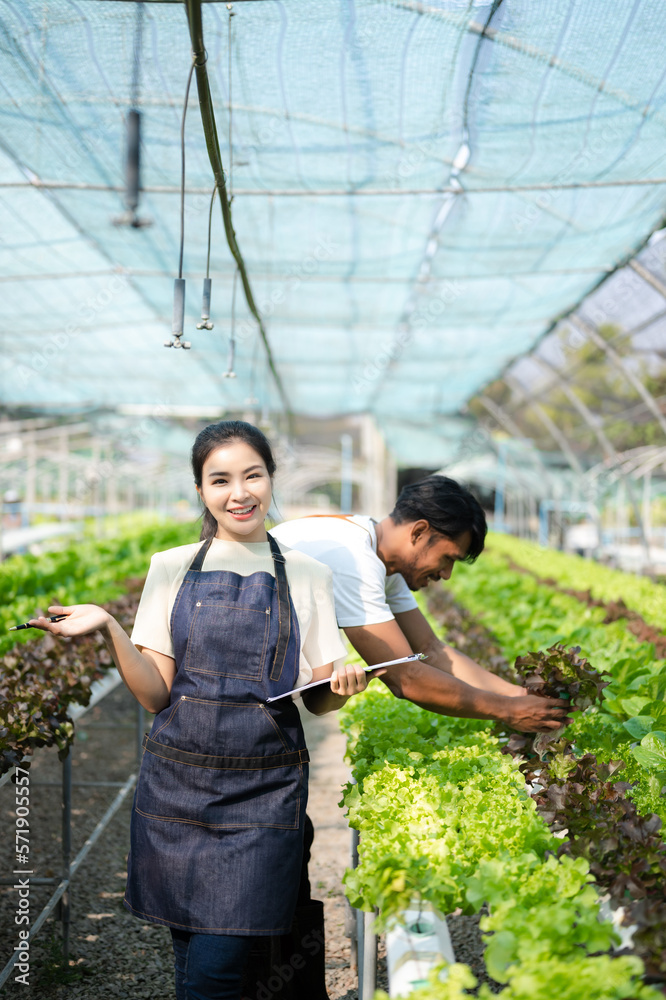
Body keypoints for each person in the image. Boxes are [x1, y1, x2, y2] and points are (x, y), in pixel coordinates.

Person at [29, 420, 378, 1000]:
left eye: (252, 475)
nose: (238, 492)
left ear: (270, 479)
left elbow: (315, 698)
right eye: (221, 480)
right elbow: (154, 694)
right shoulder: (171, 566)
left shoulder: (310, 576)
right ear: (201, 490)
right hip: (177, 787)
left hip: (263, 798)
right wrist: (111, 628)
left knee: (220, 966)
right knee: (191, 954)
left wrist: (341, 684)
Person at [271, 475, 570, 730]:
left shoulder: (376, 552)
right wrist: (507, 711)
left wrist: (518, 696)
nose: (447, 574)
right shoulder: (356, 560)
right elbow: (406, 678)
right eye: (448, 558)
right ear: (419, 531)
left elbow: (430, 649)